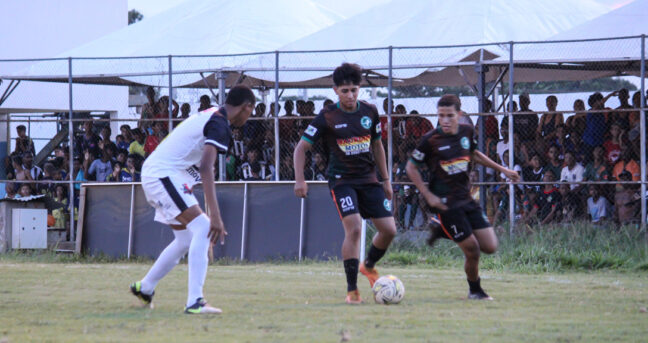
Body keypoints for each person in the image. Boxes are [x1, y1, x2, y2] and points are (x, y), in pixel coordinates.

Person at [130, 85, 255, 314]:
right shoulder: (219, 123)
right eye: (251, 111)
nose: (249, 117)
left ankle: (146, 287)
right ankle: (195, 302)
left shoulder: (213, 117)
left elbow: (204, 167)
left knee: (186, 239)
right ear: (246, 107)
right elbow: (206, 167)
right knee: (205, 226)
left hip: (161, 174)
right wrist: (214, 216)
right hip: (162, 175)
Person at [293, 63, 397, 305]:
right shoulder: (327, 116)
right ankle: (352, 291)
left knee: (389, 230)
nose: (350, 95)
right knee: (355, 228)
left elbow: (377, 146)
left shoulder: (370, 112)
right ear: (335, 91)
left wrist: (386, 180)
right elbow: (301, 147)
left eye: (354, 90)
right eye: (345, 91)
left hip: (369, 180)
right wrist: (300, 179)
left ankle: (368, 265)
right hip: (342, 182)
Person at [405, 94, 520, 300]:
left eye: (450, 115)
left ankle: (441, 230)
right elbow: (411, 167)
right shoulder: (430, 140)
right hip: (445, 204)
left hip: (466, 199)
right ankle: (475, 290)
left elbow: (474, 154)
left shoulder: (467, 131)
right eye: (441, 116)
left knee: (490, 246)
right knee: (473, 249)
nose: (445, 120)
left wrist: (504, 169)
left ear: (459, 114)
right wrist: (428, 195)